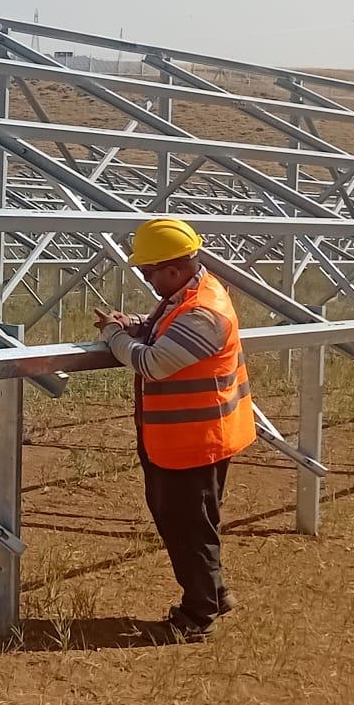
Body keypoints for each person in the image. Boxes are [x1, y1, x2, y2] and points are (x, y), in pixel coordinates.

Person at [93, 217, 255, 642]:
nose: (147, 279)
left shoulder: (204, 312)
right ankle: (214, 594)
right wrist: (133, 323)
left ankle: (197, 616)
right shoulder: (189, 295)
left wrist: (114, 336)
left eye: (150, 272)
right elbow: (163, 326)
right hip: (185, 438)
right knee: (191, 523)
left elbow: (153, 362)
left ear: (174, 268)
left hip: (194, 441)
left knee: (188, 528)